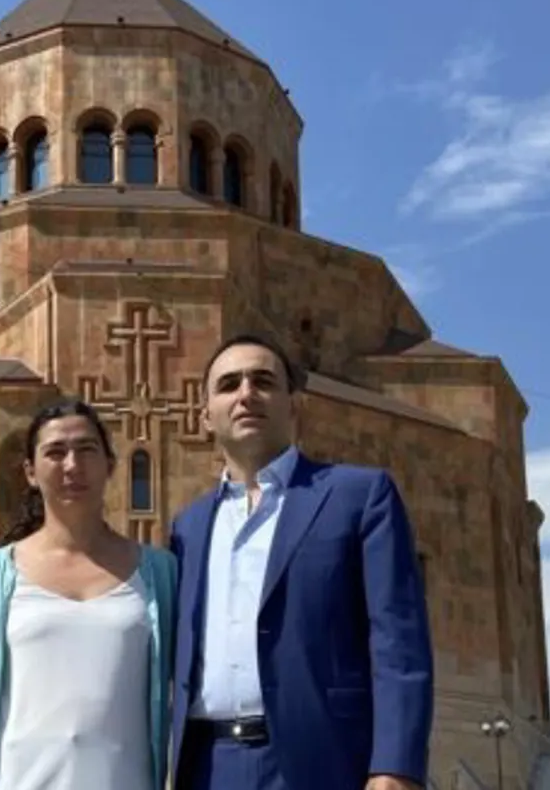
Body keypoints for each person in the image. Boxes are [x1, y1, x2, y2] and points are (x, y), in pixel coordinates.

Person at [169, 333, 434, 790]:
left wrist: (396, 765)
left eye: (263, 381)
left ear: (295, 405)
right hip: (208, 765)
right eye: (229, 384)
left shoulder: (357, 496)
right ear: (205, 415)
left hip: (322, 760)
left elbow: (398, 639)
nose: (246, 394)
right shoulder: (188, 527)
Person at [0, 398, 178, 790]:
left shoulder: (159, 573)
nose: (72, 465)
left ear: (110, 465)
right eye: (55, 452)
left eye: (87, 449)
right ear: (31, 472)